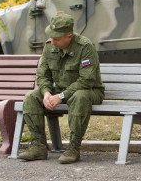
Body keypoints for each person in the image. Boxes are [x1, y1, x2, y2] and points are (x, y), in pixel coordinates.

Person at [18, 12, 104, 164]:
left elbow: (86, 80)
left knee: (80, 96)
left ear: (69, 36)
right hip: (61, 90)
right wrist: (45, 93)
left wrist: (60, 96)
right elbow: (43, 75)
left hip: (90, 91)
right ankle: (38, 146)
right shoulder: (49, 47)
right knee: (31, 97)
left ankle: (73, 148)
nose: (52, 41)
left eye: (56, 38)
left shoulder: (85, 47)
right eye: (51, 36)